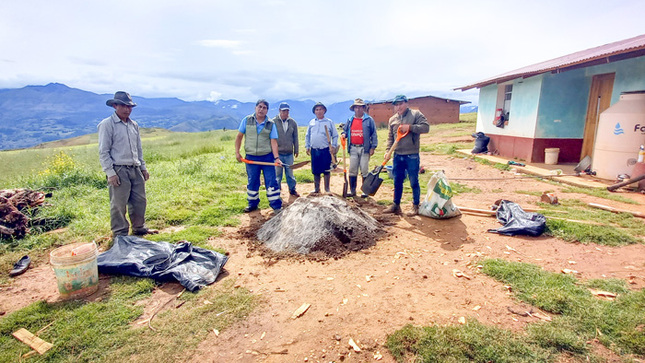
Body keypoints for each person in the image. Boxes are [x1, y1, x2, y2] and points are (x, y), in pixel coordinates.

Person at [98, 91, 157, 236]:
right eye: (123, 106)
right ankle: (120, 233)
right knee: (119, 203)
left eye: (129, 107)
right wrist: (110, 173)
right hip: (119, 169)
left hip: (135, 167)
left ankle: (139, 227)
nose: (127, 109)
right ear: (115, 106)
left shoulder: (133, 125)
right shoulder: (107, 125)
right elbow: (103, 151)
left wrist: (143, 167)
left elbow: (138, 148)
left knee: (139, 201)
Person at [383, 95, 430, 216]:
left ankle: (415, 205)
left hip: (412, 155)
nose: (398, 107)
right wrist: (388, 151)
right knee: (397, 181)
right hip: (397, 155)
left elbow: (426, 127)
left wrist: (410, 127)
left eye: (400, 104)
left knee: (414, 181)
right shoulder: (392, 119)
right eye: (396, 105)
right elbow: (390, 138)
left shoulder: (416, 114)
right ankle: (396, 205)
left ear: (406, 103)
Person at [235, 99, 283, 214]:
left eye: (264, 108)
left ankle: (276, 206)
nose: (261, 109)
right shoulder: (246, 120)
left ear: (267, 110)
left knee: (271, 181)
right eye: (259, 107)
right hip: (251, 158)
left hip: (267, 157)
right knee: (252, 181)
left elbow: (273, 142)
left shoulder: (271, 124)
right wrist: (237, 152)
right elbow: (239, 137)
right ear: (255, 108)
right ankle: (252, 204)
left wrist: (276, 158)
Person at [342, 98, 378, 197]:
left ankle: (365, 191)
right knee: (352, 169)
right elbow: (344, 130)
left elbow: (374, 134)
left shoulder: (369, 120)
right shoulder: (350, 120)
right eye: (356, 107)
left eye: (360, 107)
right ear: (354, 109)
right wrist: (344, 134)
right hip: (353, 148)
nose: (358, 109)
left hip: (365, 148)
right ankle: (352, 190)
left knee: (364, 169)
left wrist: (373, 147)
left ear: (363, 108)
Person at [305, 102, 338, 195]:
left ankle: (327, 189)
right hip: (314, 149)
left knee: (326, 170)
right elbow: (308, 135)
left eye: (320, 109)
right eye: (317, 109)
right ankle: (316, 188)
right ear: (314, 112)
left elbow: (335, 135)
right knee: (316, 170)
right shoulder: (312, 122)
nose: (319, 111)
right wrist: (307, 146)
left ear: (324, 111)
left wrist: (334, 146)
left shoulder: (329, 122)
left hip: (326, 149)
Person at [273, 102, 300, 197]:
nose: (286, 113)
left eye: (287, 111)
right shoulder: (273, 122)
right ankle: (276, 191)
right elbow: (271, 138)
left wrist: (296, 149)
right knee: (277, 174)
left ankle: (292, 189)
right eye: (284, 111)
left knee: (290, 173)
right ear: (279, 111)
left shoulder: (293, 122)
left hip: (289, 153)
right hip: (278, 153)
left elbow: (295, 137)